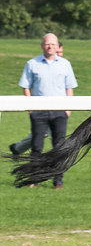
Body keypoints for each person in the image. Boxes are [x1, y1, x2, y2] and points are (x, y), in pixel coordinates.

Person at [18, 33, 77, 188]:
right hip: (39, 112)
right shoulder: (32, 63)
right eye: (47, 44)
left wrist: (68, 109)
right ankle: (34, 179)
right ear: (42, 46)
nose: (50, 46)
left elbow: (69, 87)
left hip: (59, 112)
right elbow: (26, 86)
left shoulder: (65, 64)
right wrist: (31, 108)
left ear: (58, 46)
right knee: (37, 146)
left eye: (53, 44)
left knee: (59, 147)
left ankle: (58, 181)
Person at [10, 44, 64, 156]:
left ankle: (17, 149)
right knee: (46, 135)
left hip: (58, 109)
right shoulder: (37, 64)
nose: (59, 55)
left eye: (61, 52)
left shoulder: (63, 66)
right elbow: (27, 86)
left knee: (43, 134)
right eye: (58, 52)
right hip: (41, 108)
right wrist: (31, 106)